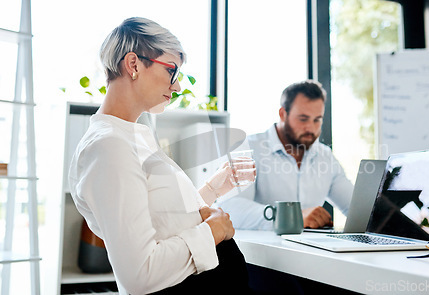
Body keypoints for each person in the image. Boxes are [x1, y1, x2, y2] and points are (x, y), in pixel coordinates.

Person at [68, 17, 255, 295]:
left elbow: (163, 222)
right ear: (133, 65)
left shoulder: (130, 137)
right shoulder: (109, 146)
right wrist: (214, 231)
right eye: (172, 71)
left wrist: (214, 187)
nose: (177, 86)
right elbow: (140, 274)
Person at [218, 80, 354, 230]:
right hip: (262, 251)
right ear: (283, 114)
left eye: (317, 120)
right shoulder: (247, 149)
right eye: (303, 119)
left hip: (314, 250)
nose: (310, 127)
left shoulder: (325, 156)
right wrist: (290, 217)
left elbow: (354, 208)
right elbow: (231, 209)